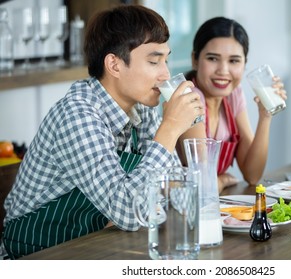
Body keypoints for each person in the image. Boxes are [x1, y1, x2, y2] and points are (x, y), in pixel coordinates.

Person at [1, 4, 204, 259]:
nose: (165, 74)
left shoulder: (143, 109)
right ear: (114, 65)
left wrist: (133, 209)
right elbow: (131, 212)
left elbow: (178, 199)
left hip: (90, 247)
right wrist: (170, 129)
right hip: (33, 255)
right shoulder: (78, 116)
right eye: (154, 61)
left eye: (166, 59)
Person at [179, 17, 287, 193]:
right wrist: (221, 181)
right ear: (195, 60)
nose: (223, 70)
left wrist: (265, 116)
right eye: (213, 58)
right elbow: (203, 183)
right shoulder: (190, 98)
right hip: (184, 207)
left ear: (244, 64)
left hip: (213, 203)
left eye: (234, 61)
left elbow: (252, 175)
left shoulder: (233, 96)